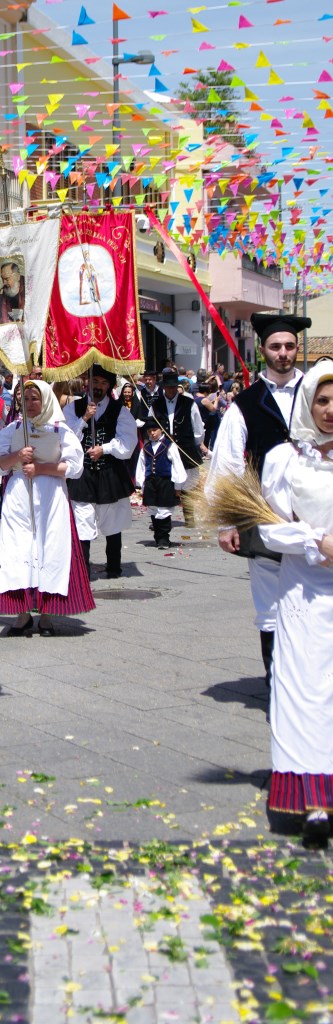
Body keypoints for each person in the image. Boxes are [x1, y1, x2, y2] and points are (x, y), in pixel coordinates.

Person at [207, 313, 311, 697]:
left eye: (289, 346)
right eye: (275, 347)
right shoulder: (244, 406)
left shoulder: (318, 393)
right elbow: (228, 463)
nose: (283, 353)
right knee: (270, 606)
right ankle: (277, 683)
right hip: (263, 517)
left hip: (316, 517)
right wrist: (225, 523)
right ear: (263, 351)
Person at [258, 359, 333, 846]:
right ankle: (314, 799)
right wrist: (315, 541)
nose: (330, 409)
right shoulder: (286, 458)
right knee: (303, 692)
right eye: (322, 399)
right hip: (305, 592)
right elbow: (268, 526)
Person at [0, 380, 93, 634]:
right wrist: (17, 457)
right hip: (19, 497)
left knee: (50, 548)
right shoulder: (13, 428)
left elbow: (75, 467)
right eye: (24, 400)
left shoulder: (60, 431)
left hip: (50, 495)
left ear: (46, 399)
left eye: (34, 399)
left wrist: (41, 468)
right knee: (18, 551)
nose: (29, 404)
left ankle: (47, 613)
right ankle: (22, 612)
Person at [64, 365, 138, 579]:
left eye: (104, 383)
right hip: (83, 473)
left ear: (110, 386)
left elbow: (128, 444)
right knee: (82, 521)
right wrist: (85, 418)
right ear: (88, 382)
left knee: (112, 521)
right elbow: (65, 440)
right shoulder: (73, 408)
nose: (99, 386)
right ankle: (83, 571)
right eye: (95, 381)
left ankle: (114, 567)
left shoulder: (120, 410)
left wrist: (105, 449)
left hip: (109, 472)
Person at [150, 368, 207, 527]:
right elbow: (151, 425)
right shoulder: (156, 404)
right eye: (168, 387)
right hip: (164, 449)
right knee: (165, 482)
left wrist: (192, 443)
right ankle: (163, 519)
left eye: (173, 386)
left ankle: (189, 518)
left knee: (189, 483)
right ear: (163, 387)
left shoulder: (189, 403)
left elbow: (198, 428)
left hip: (185, 448)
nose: (171, 390)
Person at [135, 417, 187, 550]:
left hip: (165, 483)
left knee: (164, 510)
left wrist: (178, 486)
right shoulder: (146, 447)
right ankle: (158, 536)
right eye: (149, 431)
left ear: (161, 430)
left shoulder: (169, 446)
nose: (152, 433)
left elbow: (177, 465)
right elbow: (141, 465)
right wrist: (140, 483)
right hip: (151, 483)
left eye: (154, 430)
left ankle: (164, 538)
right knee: (153, 509)